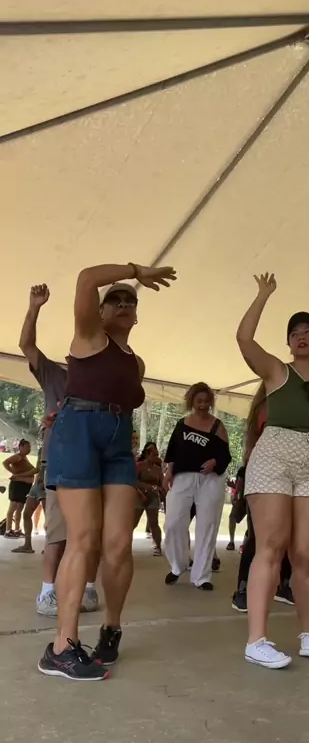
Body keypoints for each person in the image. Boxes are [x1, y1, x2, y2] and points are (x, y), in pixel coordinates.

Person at [38, 262, 176, 681]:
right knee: (82, 539)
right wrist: (135, 271)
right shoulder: (88, 335)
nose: (122, 303)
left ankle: (111, 629)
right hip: (78, 432)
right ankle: (61, 647)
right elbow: (85, 277)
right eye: (113, 299)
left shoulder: (136, 363)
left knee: (118, 544)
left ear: (136, 316)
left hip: (117, 442)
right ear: (99, 311)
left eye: (129, 301)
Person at [237, 273, 309, 669]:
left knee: (308, 553)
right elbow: (245, 339)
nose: (300, 336)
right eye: (294, 333)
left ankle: (307, 632)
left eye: (307, 331)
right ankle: (256, 640)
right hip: (274, 457)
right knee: (272, 545)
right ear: (289, 344)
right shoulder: (277, 371)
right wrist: (263, 295)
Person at [17, 284, 99, 617]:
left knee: (90, 531)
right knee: (57, 531)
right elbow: (26, 345)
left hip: (92, 463)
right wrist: (34, 307)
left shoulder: (101, 385)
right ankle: (47, 592)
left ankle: (88, 588)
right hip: (59, 462)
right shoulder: (54, 375)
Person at [231, 383, 294, 613]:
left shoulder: (294, 408)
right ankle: (242, 589)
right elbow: (250, 448)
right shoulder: (262, 409)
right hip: (262, 474)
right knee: (257, 535)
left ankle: (284, 585)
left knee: (286, 533)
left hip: (290, 476)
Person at [163, 382, 231, 591]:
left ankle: (201, 576)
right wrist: (168, 472)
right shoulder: (182, 424)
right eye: (199, 401)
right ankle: (178, 564)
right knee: (173, 522)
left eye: (206, 401)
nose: (202, 405)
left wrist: (215, 462)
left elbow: (226, 455)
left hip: (210, 480)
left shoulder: (218, 426)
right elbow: (172, 452)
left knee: (207, 526)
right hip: (183, 477)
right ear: (191, 401)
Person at [11, 443, 46, 554]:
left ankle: (50, 547)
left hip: (48, 484)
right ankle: (27, 545)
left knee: (49, 518)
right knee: (26, 514)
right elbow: (37, 469)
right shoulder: (42, 450)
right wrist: (19, 476)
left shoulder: (57, 447)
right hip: (37, 485)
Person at [3, 440, 36, 537]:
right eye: (27, 447)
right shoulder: (17, 457)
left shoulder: (24, 457)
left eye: (30, 447)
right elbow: (5, 462)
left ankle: (17, 529)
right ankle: (8, 530)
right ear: (21, 447)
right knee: (13, 507)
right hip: (18, 484)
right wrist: (13, 472)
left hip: (25, 486)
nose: (29, 449)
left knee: (20, 508)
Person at [135, 442, 163, 555]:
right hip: (139, 496)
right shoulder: (139, 466)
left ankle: (158, 546)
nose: (156, 457)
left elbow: (162, 484)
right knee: (133, 522)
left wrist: (159, 489)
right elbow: (134, 481)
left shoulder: (158, 469)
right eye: (154, 455)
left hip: (153, 497)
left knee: (153, 523)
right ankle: (124, 543)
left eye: (157, 455)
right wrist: (145, 488)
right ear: (148, 454)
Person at [226, 467, 245, 551]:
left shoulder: (243, 470)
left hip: (243, 499)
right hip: (248, 498)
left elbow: (240, 484)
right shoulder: (243, 469)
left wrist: (235, 494)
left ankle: (232, 542)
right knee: (251, 521)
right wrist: (233, 486)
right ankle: (245, 543)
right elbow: (239, 485)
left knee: (232, 517)